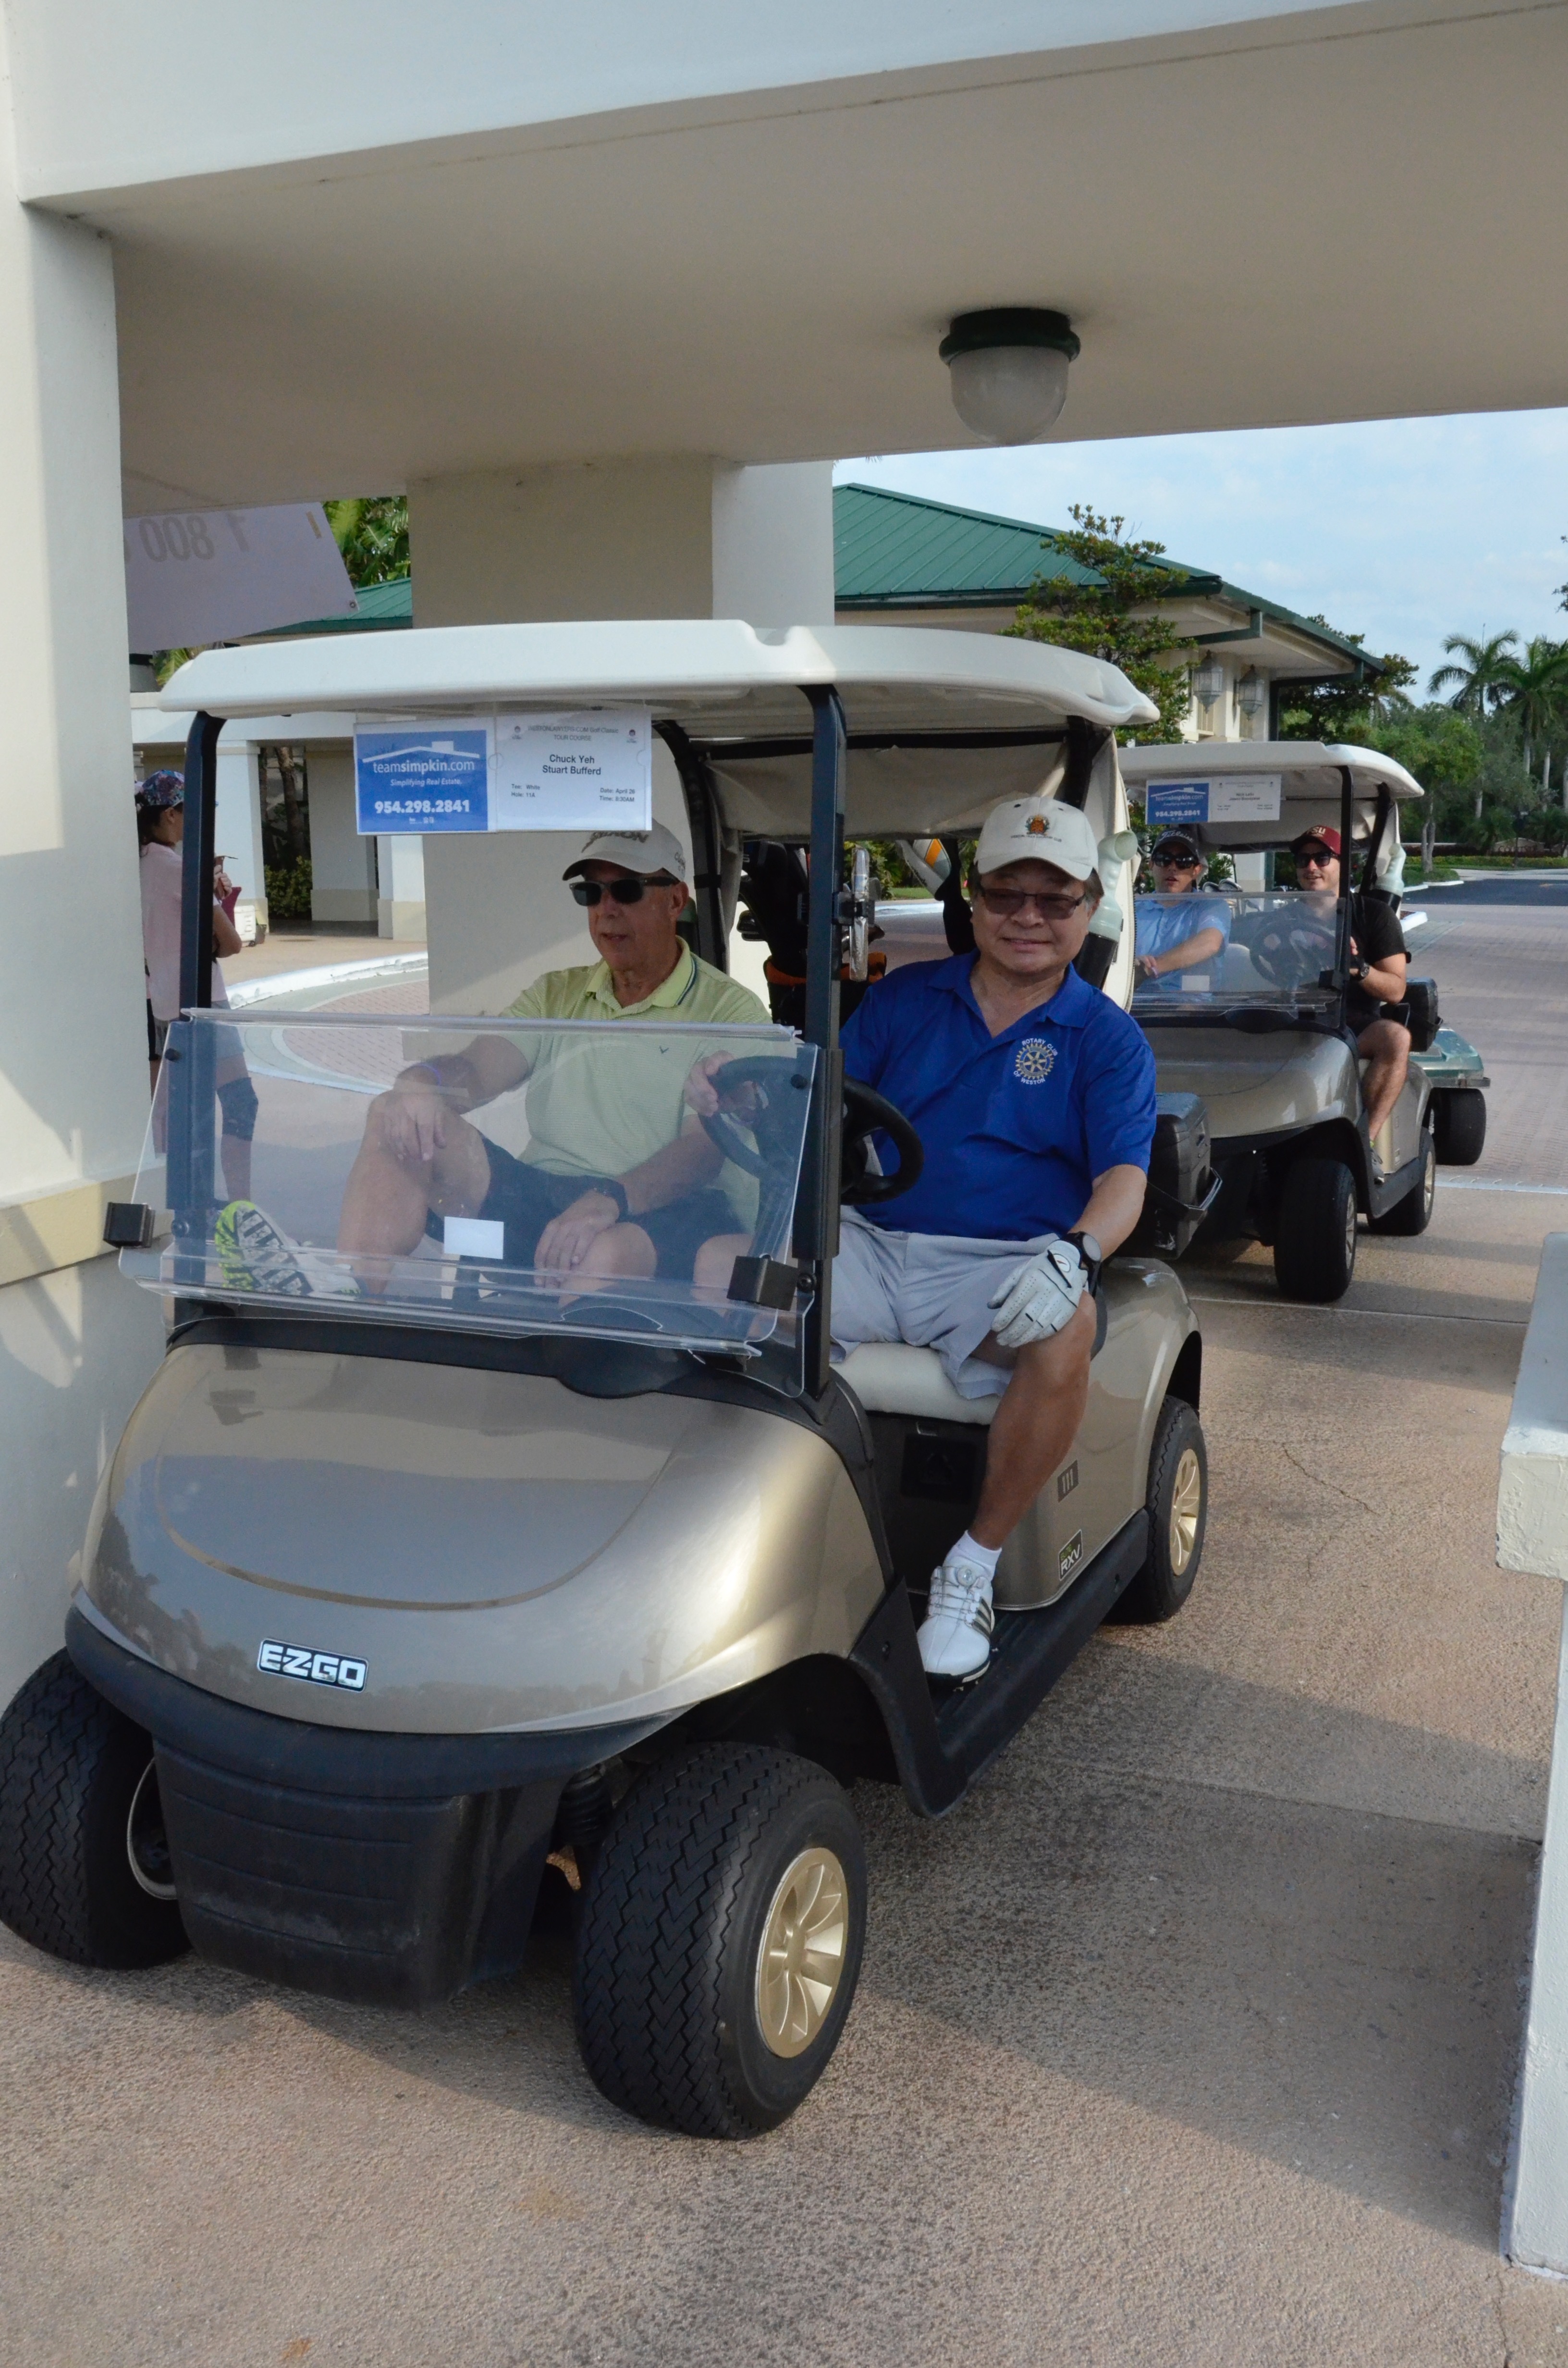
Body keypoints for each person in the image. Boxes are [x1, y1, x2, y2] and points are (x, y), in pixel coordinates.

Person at [691, 795, 1157, 1682]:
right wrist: (741, 1093)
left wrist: (1075, 1254)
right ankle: (736, 1521)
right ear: (973, 901)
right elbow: (819, 1108)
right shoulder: (905, 999)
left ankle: (972, 1564)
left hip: (997, 1273)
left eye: (1053, 899)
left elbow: (1122, 1182)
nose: (1027, 917)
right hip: (869, 1246)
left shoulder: (1107, 1040)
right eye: (1006, 894)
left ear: (1088, 906)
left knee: (1068, 1326)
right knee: (722, 1272)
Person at [217, 822, 772, 1301]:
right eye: (590, 893)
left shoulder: (730, 1011)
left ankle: (556, 1381)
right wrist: (424, 1080)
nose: (606, 909)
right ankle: (349, 1291)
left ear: (675, 901)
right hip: (546, 1192)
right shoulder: (558, 992)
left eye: (626, 889)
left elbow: (703, 1152)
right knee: (395, 1113)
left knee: (596, 1250)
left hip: (659, 1207)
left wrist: (607, 1200)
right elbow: (479, 1070)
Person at [135, 772, 257, 1198]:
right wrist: (215, 898)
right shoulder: (179, 869)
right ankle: (241, 1205)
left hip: (162, 1004)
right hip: (204, 1003)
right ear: (171, 814)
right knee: (240, 1103)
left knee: (180, 1110)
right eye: (192, 812)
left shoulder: (140, 865)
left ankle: (183, 1199)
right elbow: (232, 943)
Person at [1292, 825, 1410, 1158]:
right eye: (1303, 859)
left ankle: (1364, 1144)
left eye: (1322, 858)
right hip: (1294, 1017)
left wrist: (1359, 969)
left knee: (1397, 1039)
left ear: (1344, 865)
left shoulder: (1374, 915)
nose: (1311, 867)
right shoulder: (1281, 916)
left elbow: (1396, 990)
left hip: (1352, 1020)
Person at [1133, 829, 1231, 987]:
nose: (1173, 867)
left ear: (1196, 870)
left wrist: (1149, 969)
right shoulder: (1133, 909)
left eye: (1183, 861)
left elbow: (1210, 943)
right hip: (1135, 999)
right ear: (1151, 864)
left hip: (1187, 1000)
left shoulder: (1211, 905)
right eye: (1164, 859)